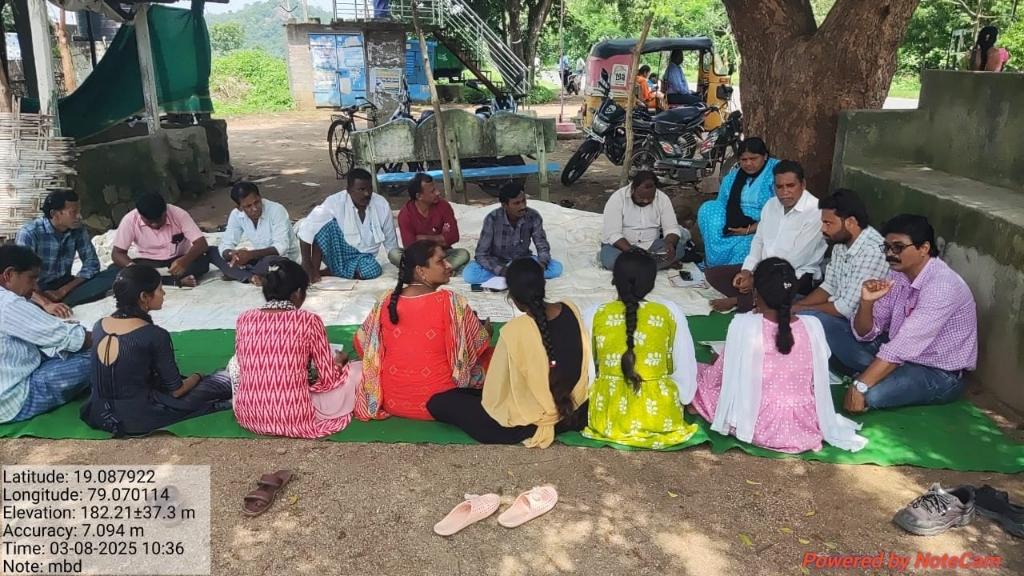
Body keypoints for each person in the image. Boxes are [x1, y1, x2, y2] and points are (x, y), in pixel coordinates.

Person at [692, 258, 866, 454]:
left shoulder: (744, 325)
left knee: (697, 376)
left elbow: (720, 376)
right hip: (804, 422)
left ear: (755, 292)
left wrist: (713, 368)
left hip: (759, 422)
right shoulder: (813, 325)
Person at [822, 215, 977, 413]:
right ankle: (877, 373)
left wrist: (860, 386)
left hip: (936, 372)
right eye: (886, 247)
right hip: (896, 354)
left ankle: (870, 375)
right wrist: (866, 303)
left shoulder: (942, 287)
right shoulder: (897, 274)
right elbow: (865, 334)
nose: (890, 254)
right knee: (820, 322)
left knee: (872, 394)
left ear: (924, 248)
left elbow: (903, 345)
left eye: (898, 247)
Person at [428, 258, 590, 447]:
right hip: (574, 408)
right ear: (543, 285)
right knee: (464, 395)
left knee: (438, 403)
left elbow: (498, 390)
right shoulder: (570, 309)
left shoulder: (515, 331)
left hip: (532, 418)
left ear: (512, 297)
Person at [80, 265, 232, 436]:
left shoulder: (99, 325)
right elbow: (177, 391)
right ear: (144, 297)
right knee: (222, 380)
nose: (164, 293)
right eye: (160, 289)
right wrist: (198, 376)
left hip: (98, 413)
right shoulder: (154, 334)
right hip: (138, 417)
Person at [355, 240, 492, 420]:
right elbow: (477, 345)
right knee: (492, 357)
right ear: (420, 271)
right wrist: (487, 332)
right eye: (440, 261)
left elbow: (362, 343)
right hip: (442, 403)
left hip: (392, 401)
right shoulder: (451, 301)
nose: (448, 265)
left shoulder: (386, 301)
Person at [582, 249, 699, 449]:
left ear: (614, 280)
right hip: (661, 417)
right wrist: (684, 397)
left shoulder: (594, 313)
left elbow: (587, 372)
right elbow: (684, 366)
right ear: (652, 284)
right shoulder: (670, 311)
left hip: (608, 418)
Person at [233, 260, 360, 439]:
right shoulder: (308, 320)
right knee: (358, 369)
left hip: (248, 415)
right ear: (298, 293)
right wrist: (339, 363)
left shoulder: (244, 319)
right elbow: (328, 380)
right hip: (293, 417)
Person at [706, 160, 826, 312]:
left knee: (784, 285)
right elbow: (759, 241)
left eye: (790, 186)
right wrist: (747, 271)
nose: (785, 192)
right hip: (764, 269)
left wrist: (756, 279)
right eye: (779, 187)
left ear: (803, 184)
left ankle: (742, 301)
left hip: (796, 274)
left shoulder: (816, 211)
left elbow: (796, 259)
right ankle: (757, 297)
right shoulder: (771, 205)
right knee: (714, 275)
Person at [0, 245, 92, 424]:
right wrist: (114, 337)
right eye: (32, 278)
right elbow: (77, 339)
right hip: (12, 399)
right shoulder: (8, 304)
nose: (36, 287)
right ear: (9, 275)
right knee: (99, 354)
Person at [16, 190, 118, 317]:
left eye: (79, 211)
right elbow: (20, 278)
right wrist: (46, 303)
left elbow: (91, 264)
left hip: (65, 284)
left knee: (115, 273)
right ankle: (51, 305)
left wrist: (62, 291)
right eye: (73, 212)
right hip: (36, 289)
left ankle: (63, 300)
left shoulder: (78, 229)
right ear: (54, 214)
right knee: (20, 300)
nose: (79, 216)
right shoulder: (30, 233)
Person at [793, 189, 888, 324]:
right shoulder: (841, 243)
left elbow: (846, 309)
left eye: (828, 223)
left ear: (851, 222)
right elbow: (829, 286)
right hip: (835, 309)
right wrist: (798, 306)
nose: (823, 229)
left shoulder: (873, 251)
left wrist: (803, 309)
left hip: (854, 325)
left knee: (799, 322)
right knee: (784, 303)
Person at [296, 168, 398, 282]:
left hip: (365, 257)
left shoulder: (381, 204)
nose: (367, 193)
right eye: (361, 189)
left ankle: (330, 272)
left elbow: (391, 244)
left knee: (373, 270)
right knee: (322, 227)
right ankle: (313, 272)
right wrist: (306, 263)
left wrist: (399, 260)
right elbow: (306, 228)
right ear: (349, 190)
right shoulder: (335, 202)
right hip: (339, 251)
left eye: (370, 188)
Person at [697, 137, 779, 268]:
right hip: (735, 222)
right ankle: (713, 264)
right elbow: (722, 204)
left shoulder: (778, 173)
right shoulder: (733, 177)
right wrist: (730, 224)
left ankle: (735, 272)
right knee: (708, 208)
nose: (748, 164)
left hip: (763, 225)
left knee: (747, 246)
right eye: (744, 160)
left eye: (753, 159)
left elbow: (781, 212)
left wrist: (748, 230)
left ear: (765, 156)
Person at [463, 182, 562, 285]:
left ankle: (516, 276)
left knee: (556, 268)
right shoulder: (492, 219)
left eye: (524, 201)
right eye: (516, 203)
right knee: (470, 274)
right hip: (497, 261)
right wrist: (501, 270)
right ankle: (522, 276)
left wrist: (541, 265)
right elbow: (481, 254)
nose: (522, 206)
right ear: (504, 205)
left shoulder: (533, 216)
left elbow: (542, 246)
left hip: (522, 261)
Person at [208, 181, 299, 285]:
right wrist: (232, 254)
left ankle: (240, 273)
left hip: (282, 259)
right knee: (213, 252)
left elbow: (281, 248)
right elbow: (226, 243)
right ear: (239, 208)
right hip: (258, 259)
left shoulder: (276, 210)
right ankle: (251, 276)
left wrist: (250, 255)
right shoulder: (236, 215)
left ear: (260, 197)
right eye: (248, 206)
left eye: (256, 202)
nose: (255, 209)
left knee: (276, 264)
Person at [112, 193, 210, 287]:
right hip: (149, 263)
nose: (155, 225)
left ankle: (153, 281)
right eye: (149, 222)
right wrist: (133, 268)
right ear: (141, 215)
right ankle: (174, 281)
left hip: (178, 260)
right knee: (116, 270)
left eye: (159, 220)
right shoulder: (130, 220)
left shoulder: (179, 214)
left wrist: (184, 261)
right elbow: (117, 253)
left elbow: (201, 244)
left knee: (202, 261)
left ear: (165, 211)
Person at [600, 170, 688, 270]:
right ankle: (655, 265)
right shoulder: (617, 198)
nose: (645, 201)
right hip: (622, 247)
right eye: (641, 197)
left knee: (679, 249)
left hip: (651, 246)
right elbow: (613, 234)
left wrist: (670, 244)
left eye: (650, 198)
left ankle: (638, 266)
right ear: (633, 188)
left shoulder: (663, 199)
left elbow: (671, 228)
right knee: (611, 261)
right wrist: (633, 252)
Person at [387, 173, 470, 270]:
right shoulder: (405, 214)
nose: (438, 192)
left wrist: (423, 238)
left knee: (463, 254)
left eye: (436, 189)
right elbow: (410, 247)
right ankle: (440, 270)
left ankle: (422, 272)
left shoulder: (444, 206)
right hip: (418, 257)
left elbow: (454, 237)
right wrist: (440, 239)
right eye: (432, 191)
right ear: (419, 196)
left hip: (441, 254)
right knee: (394, 254)